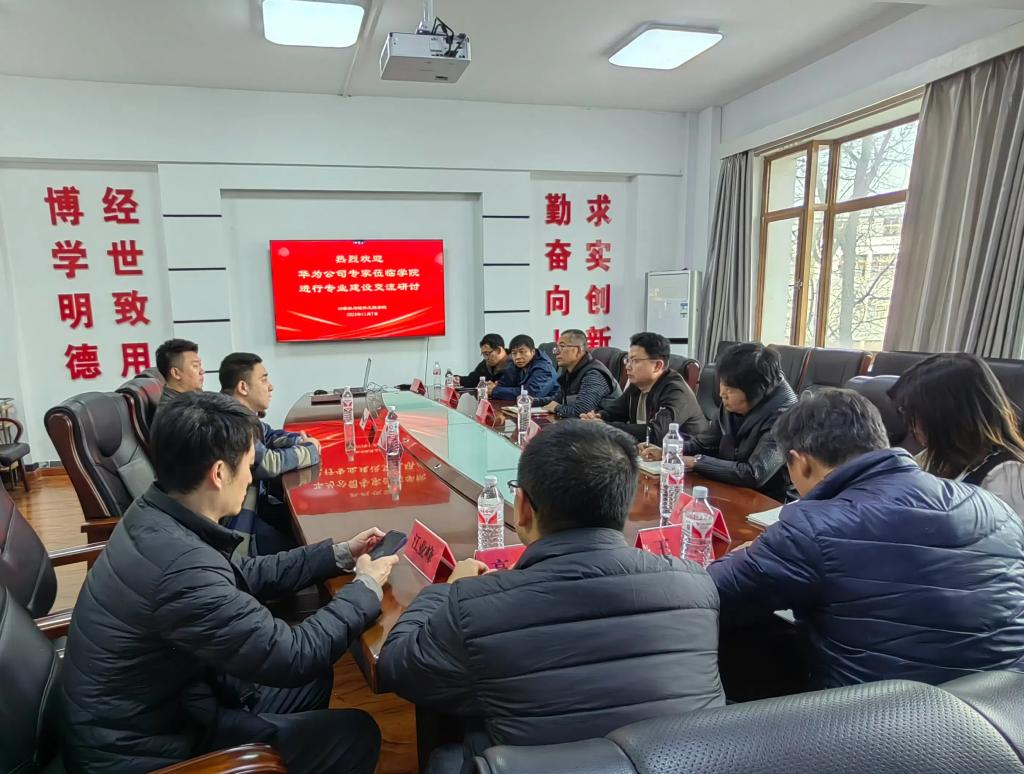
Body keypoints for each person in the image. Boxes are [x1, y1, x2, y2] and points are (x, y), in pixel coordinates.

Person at [61, 391, 399, 774]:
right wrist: (365, 587)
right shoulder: (181, 568)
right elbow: (292, 655)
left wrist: (337, 555)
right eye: (249, 466)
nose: (252, 477)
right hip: (146, 752)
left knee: (314, 679)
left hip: (168, 706)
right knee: (355, 734)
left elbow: (242, 572)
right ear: (219, 473)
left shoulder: (156, 514)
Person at [378, 421, 724, 765]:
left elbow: (397, 666)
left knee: (449, 751)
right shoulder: (695, 586)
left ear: (522, 507)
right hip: (683, 764)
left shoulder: (477, 606)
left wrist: (445, 589)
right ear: (625, 501)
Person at [709, 388, 1024, 689]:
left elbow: (710, 595)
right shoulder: (992, 505)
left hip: (882, 717)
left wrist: (746, 554)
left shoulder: (812, 527)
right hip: (1003, 710)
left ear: (801, 462)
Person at [640, 342, 796, 501]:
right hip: (728, 490)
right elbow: (703, 444)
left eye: (730, 390)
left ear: (756, 391)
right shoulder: (734, 402)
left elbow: (754, 473)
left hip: (767, 502)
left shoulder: (785, 416)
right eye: (722, 384)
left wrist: (697, 462)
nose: (722, 394)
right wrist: (668, 452)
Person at [889, 352, 1024, 517]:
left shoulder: (1007, 474)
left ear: (947, 415)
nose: (910, 426)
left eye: (914, 414)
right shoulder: (933, 456)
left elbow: (1007, 533)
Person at [219, 352, 322, 554]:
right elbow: (266, 463)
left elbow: (269, 435)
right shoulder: (230, 420)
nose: (271, 386)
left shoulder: (242, 414)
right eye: (264, 379)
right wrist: (309, 450)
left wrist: (299, 440)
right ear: (243, 387)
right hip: (240, 529)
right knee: (309, 550)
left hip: (257, 509)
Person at [582, 331, 706, 440]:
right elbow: (616, 411)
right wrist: (598, 417)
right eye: (627, 360)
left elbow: (657, 433)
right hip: (648, 453)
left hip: (684, 456)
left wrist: (605, 426)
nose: (628, 366)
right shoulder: (638, 385)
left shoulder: (676, 391)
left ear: (657, 366)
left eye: (635, 361)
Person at [541, 328, 622, 417]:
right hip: (582, 424)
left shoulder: (593, 375)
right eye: (556, 348)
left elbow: (582, 411)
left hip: (604, 424)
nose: (556, 352)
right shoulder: (570, 373)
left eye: (562, 346)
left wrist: (556, 408)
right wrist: (532, 401)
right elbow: (557, 400)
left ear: (578, 350)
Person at [488, 334, 559, 401]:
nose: (518, 357)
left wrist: (495, 391)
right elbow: (505, 383)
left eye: (522, 352)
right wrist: (493, 386)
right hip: (523, 405)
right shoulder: (517, 364)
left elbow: (530, 394)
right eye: (514, 353)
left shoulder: (544, 369)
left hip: (546, 406)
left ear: (532, 352)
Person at [155, 338, 204, 405]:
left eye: (200, 365)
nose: (202, 371)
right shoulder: (174, 409)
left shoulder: (192, 400)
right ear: (176, 373)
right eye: (195, 366)